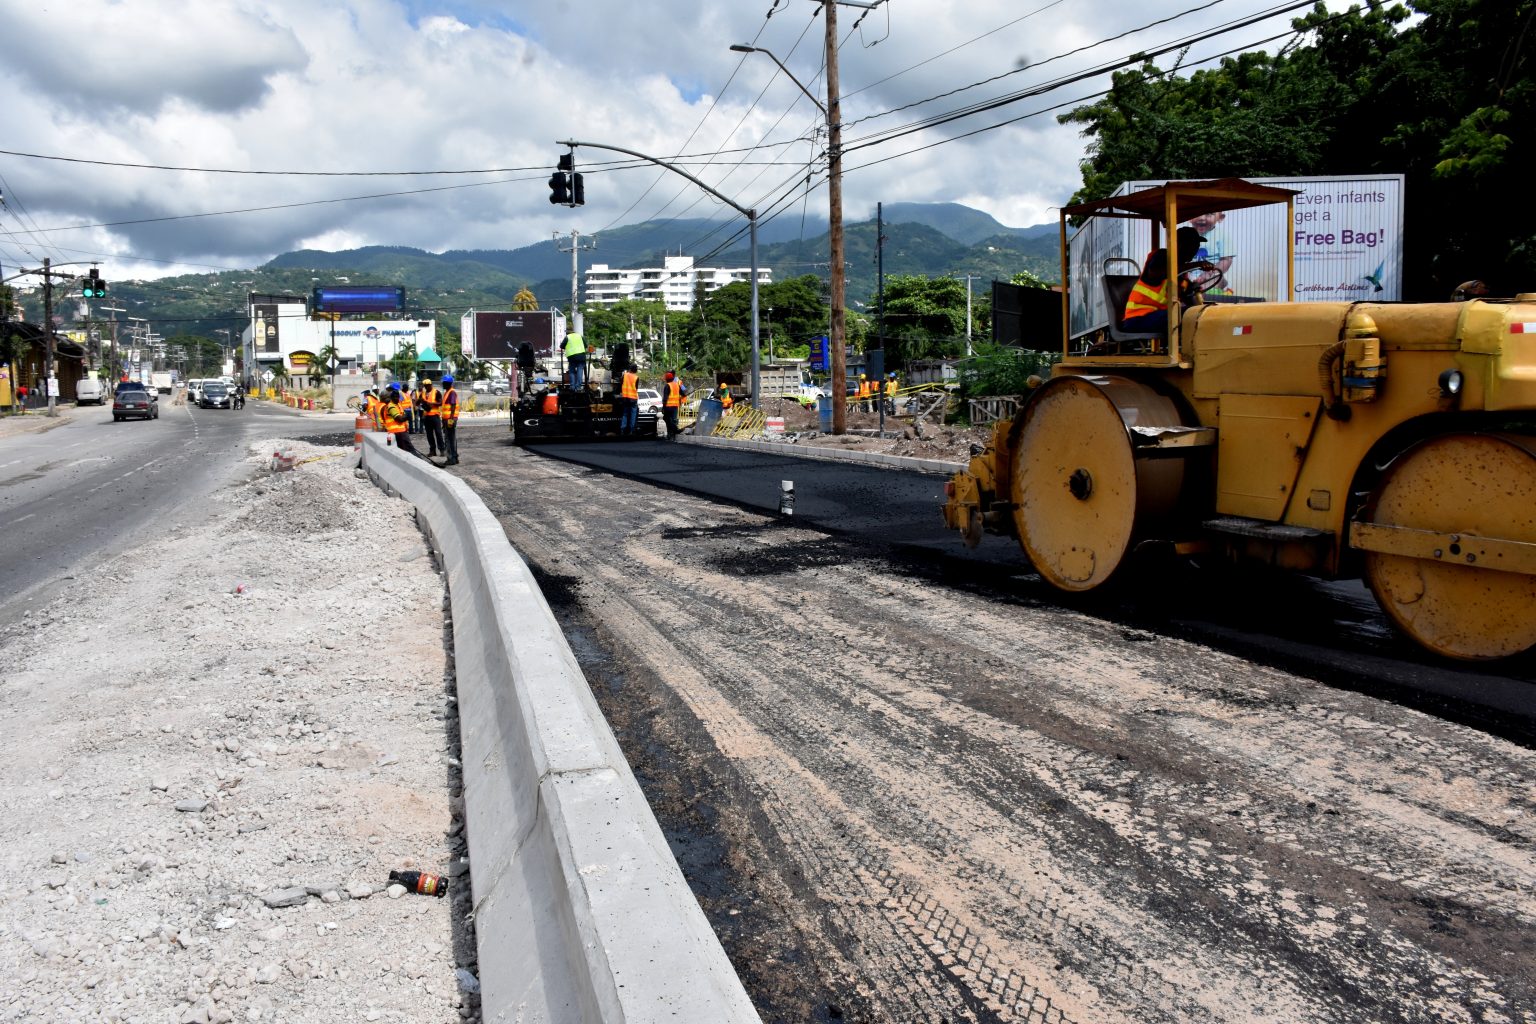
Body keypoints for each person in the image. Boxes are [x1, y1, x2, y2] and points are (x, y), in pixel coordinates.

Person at [1123, 225, 1209, 337]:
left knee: (1196, 314)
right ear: (1178, 244)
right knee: (1185, 315)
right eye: (1192, 245)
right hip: (1139, 318)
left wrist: (1201, 305)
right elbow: (1156, 273)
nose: (1196, 249)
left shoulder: (1182, 275)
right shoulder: (1161, 256)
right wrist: (1197, 264)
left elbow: (1187, 299)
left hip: (1158, 316)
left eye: (1197, 245)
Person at [381, 383, 421, 457]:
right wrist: (407, 416)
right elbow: (399, 419)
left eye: (397, 397)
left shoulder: (398, 404)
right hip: (397, 432)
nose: (396, 399)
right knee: (406, 450)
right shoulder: (391, 406)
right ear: (391, 397)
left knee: (406, 449)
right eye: (395, 397)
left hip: (401, 431)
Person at [438, 375, 460, 465]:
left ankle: (451, 458)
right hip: (447, 419)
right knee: (451, 438)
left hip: (450, 419)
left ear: (448, 383)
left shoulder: (451, 392)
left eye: (444, 382)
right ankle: (454, 457)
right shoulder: (447, 392)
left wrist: (450, 419)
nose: (442, 384)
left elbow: (453, 405)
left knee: (449, 439)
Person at [420, 376, 443, 457]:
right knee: (429, 435)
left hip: (435, 416)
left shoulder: (436, 392)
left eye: (427, 385)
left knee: (438, 433)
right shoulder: (423, 393)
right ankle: (432, 450)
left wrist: (433, 404)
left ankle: (442, 450)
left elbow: (440, 402)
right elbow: (419, 402)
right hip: (427, 417)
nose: (426, 387)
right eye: (425, 386)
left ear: (431, 385)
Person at [661, 371, 688, 441]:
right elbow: (684, 394)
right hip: (675, 406)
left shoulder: (667, 386)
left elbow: (665, 398)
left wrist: (663, 408)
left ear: (667, 379)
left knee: (667, 420)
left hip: (668, 406)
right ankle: (672, 434)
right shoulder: (676, 385)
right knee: (672, 420)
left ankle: (673, 432)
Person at [617, 364, 639, 436]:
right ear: (635, 370)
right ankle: (631, 430)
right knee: (633, 414)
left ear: (630, 369)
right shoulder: (636, 377)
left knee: (625, 413)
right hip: (633, 398)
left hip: (625, 397)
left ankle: (622, 429)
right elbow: (636, 388)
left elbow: (620, 383)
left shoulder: (625, 375)